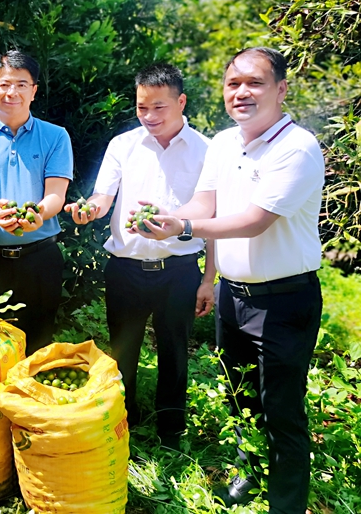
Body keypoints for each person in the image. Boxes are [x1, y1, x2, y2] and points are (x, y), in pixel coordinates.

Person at [133, 48, 324, 513]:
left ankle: (285, 503)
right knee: (240, 398)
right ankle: (250, 477)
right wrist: (170, 216)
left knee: (281, 410)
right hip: (233, 295)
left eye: (254, 83)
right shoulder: (222, 143)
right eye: (232, 83)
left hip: (284, 299)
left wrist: (183, 228)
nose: (241, 92)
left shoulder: (296, 147)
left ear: (280, 89)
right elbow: (206, 206)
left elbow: (254, 220)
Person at [64, 63, 214, 450]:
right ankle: (120, 429)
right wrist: (89, 210)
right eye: (142, 107)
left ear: (181, 102)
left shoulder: (206, 151)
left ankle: (170, 434)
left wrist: (208, 278)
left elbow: (213, 217)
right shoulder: (123, 145)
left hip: (179, 269)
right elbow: (103, 196)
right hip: (126, 269)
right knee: (122, 353)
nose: (149, 117)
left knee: (175, 354)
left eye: (159, 107)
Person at [0, 50, 73, 355]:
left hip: (40, 259)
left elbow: (56, 195)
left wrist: (39, 214)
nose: (12, 92)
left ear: (34, 91)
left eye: (21, 84)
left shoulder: (56, 136)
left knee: (37, 346)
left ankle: (30, 402)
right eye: (4, 84)